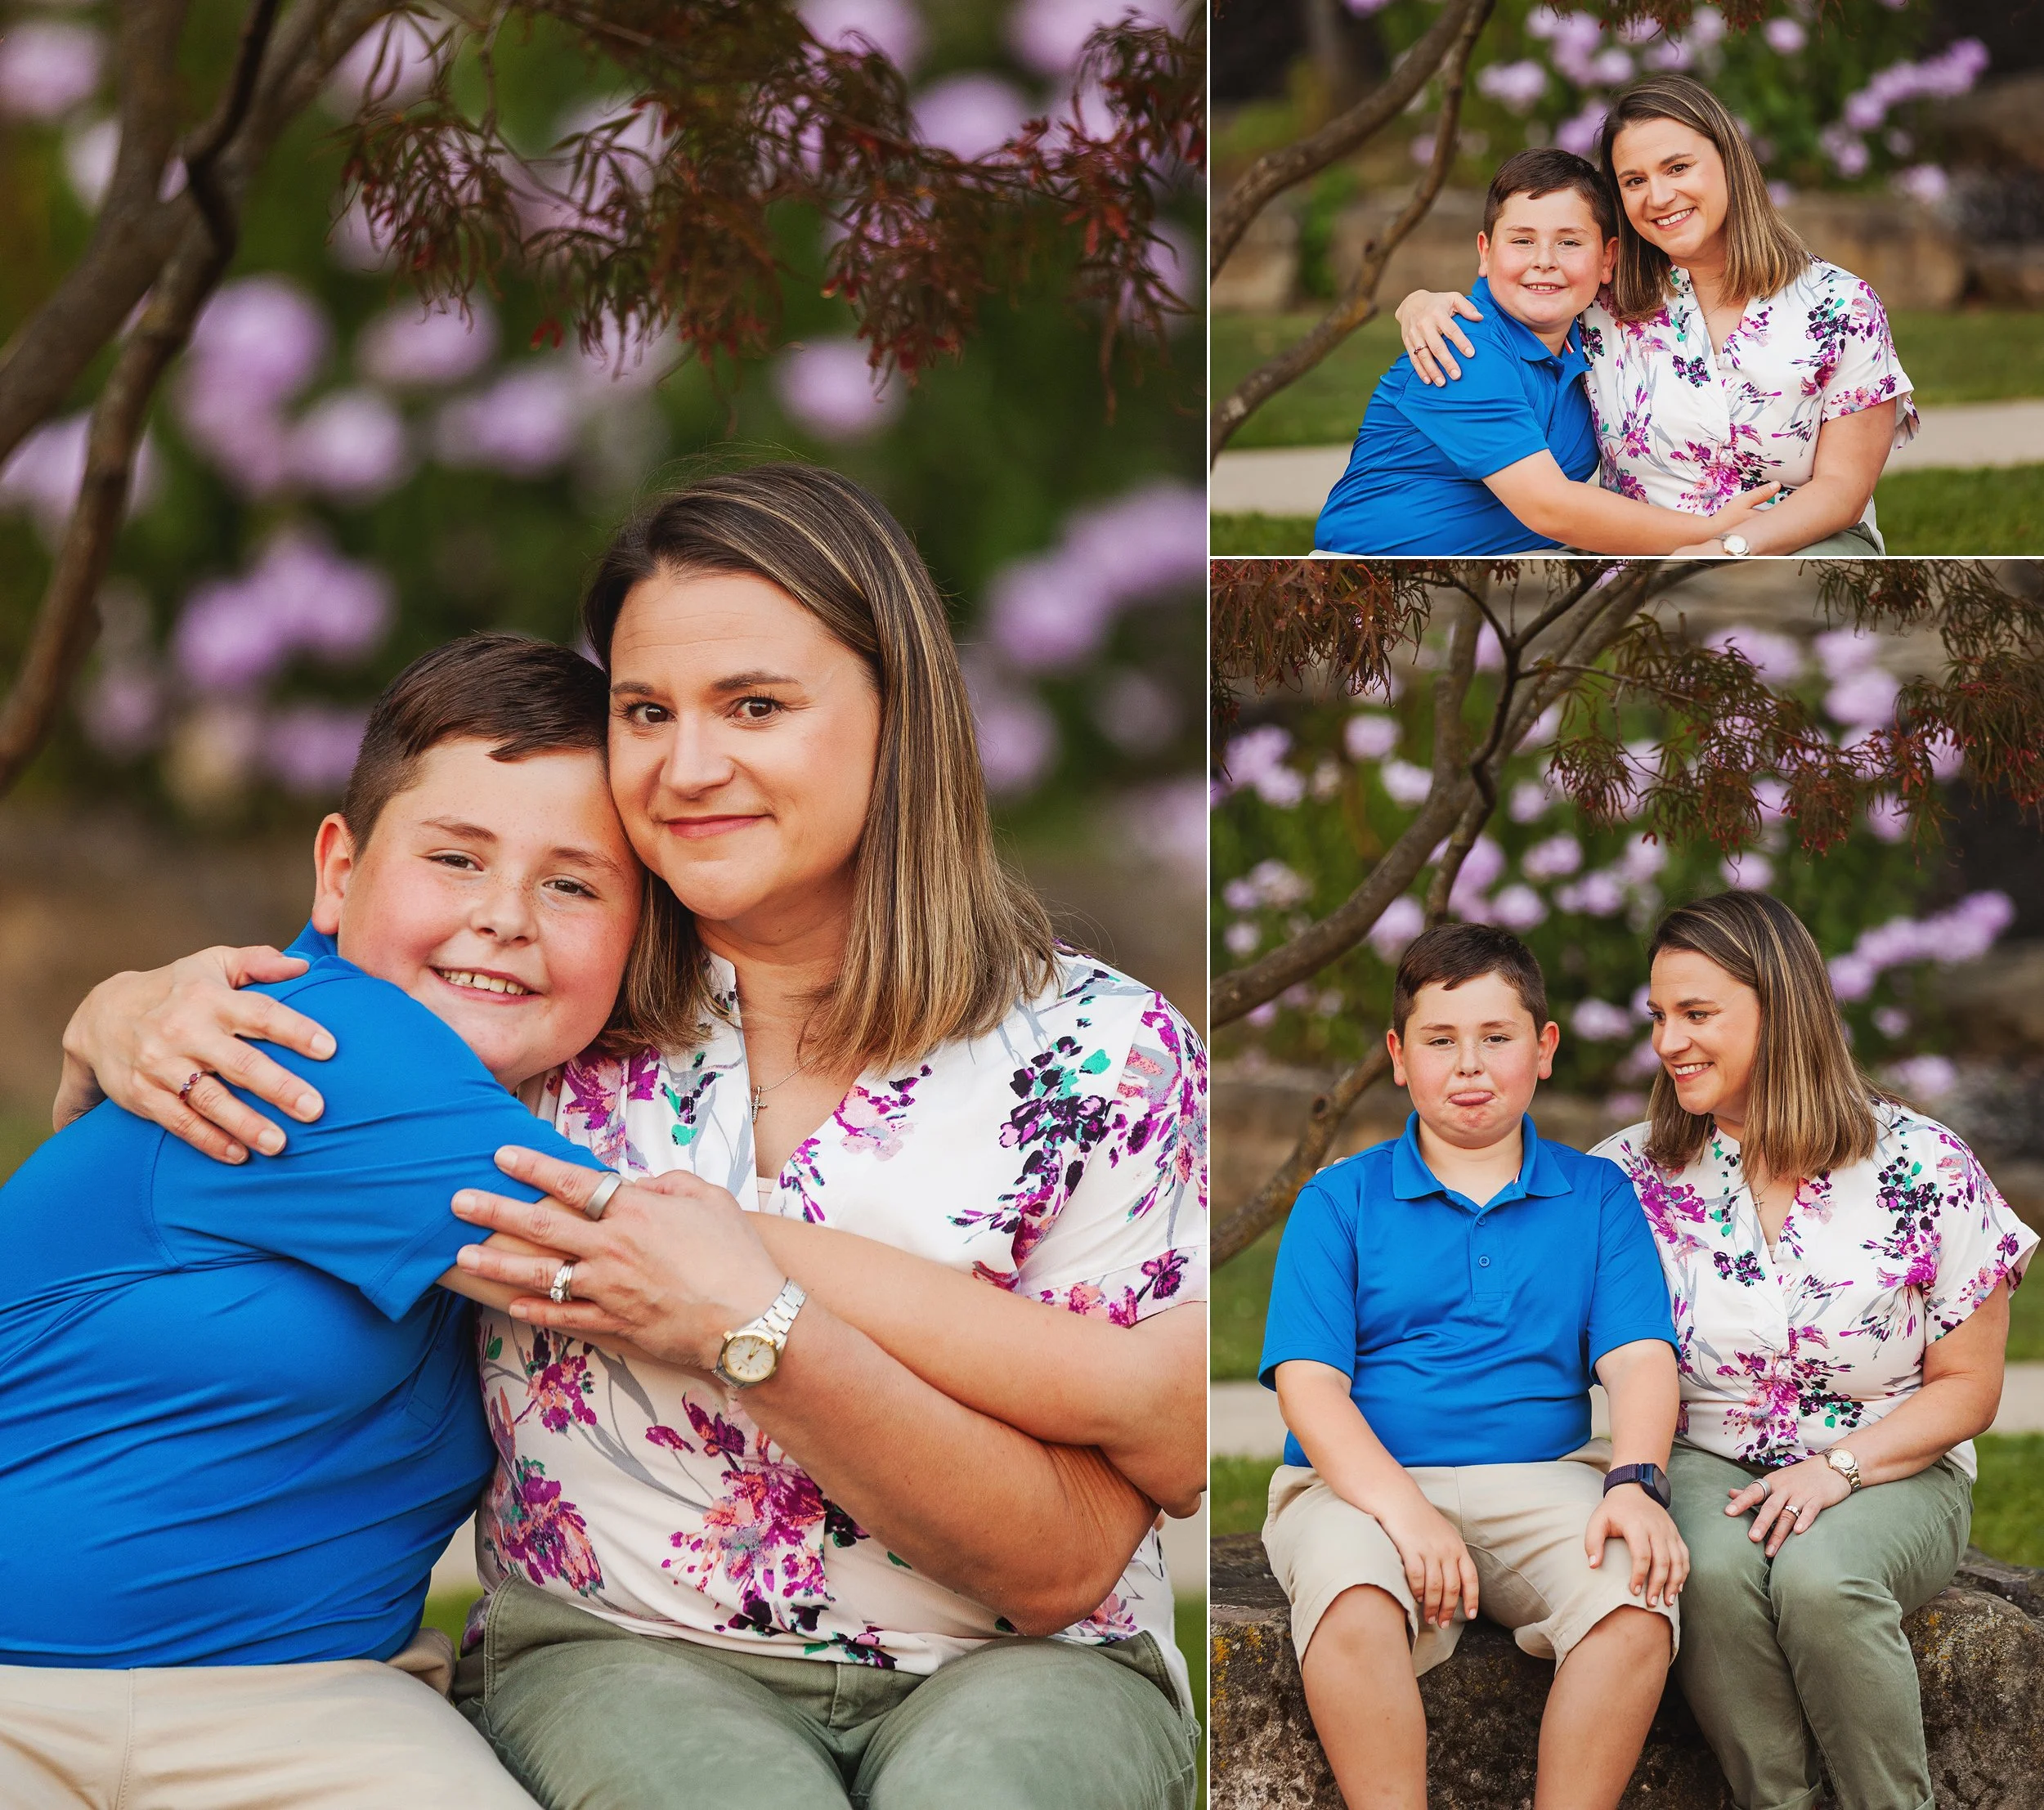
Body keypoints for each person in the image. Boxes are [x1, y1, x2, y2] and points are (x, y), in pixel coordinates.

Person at [58, 464, 1208, 1810]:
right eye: (646, 710)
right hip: (625, 1652)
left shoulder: (1101, 1053)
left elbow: (1061, 1560)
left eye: (758, 707)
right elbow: (364, 959)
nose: (688, 765)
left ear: (902, 716)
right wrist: (127, 1000)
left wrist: (746, 1296)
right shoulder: (552, 1007)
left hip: (1028, 1660)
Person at [0, 634, 653, 1807]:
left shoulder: (577, 1098)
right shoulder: (313, 1044)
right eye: (455, 856)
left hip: (308, 1695)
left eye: (572, 881)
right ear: (339, 873)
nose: (503, 914)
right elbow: (667, 1267)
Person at [1593, 890, 2035, 1810]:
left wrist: (1838, 1467)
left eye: (1696, 1015)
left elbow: (1968, 1388)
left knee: (1822, 1579)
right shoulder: (1626, 1177)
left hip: (1895, 1460)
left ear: (1779, 1009)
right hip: (1705, 1454)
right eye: (1658, 1016)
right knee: (1703, 1569)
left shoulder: (1926, 1168)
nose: (1667, 1041)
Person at [1259, 922, 1687, 1810]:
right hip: (1363, 1487)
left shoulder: (1598, 1195)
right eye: (1439, 1041)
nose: (1469, 1066)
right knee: (1349, 1604)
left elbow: (1641, 1358)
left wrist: (1635, 1480)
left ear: (1543, 1049)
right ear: (1397, 1057)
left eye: (1496, 1038)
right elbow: (1309, 1388)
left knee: (1636, 1607)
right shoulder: (1339, 1199)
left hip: (1542, 1481)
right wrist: (1405, 1514)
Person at [1395, 75, 1916, 556]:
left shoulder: (1842, 306)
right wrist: (1420, 302)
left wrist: (1725, 549)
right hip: (1634, 557)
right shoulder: (1600, 302)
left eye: (1678, 168)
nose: (1659, 196)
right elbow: (1519, 292)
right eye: (1634, 180)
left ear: (1730, 163)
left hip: (1799, 546)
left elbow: (1842, 491)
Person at [1314, 147, 1779, 557]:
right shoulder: (1461, 346)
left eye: (1569, 242)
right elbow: (1549, 507)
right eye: (1521, 241)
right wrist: (1712, 530)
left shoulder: (1595, 344)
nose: (1544, 261)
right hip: (1368, 574)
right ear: (1485, 252)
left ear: (1606, 260)